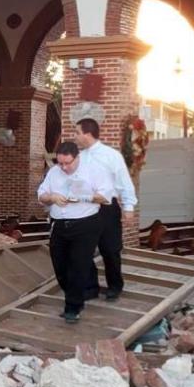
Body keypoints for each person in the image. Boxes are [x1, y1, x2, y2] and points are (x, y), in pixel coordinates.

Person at [37, 141, 114, 323]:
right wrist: (51, 197)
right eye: (60, 163)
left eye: (68, 163)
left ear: (77, 158)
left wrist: (84, 196)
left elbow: (106, 197)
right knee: (60, 266)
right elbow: (41, 195)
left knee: (77, 265)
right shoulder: (54, 172)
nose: (63, 167)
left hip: (85, 223)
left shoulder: (94, 170)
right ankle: (82, 290)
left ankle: (73, 307)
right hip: (60, 224)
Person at [74, 118, 138, 301]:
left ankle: (115, 286)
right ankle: (90, 287)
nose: (75, 136)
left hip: (107, 209)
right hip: (85, 208)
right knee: (83, 249)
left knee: (110, 249)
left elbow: (124, 182)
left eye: (77, 132)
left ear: (87, 134)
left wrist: (129, 207)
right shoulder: (80, 158)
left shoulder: (111, 156)